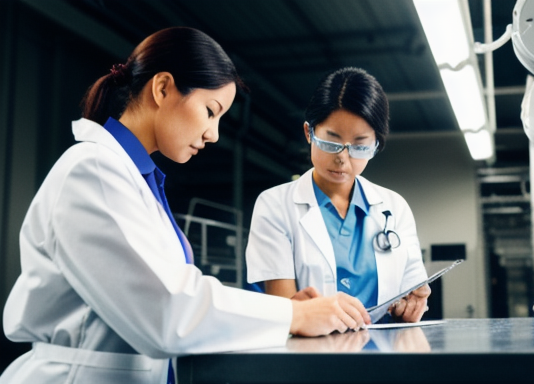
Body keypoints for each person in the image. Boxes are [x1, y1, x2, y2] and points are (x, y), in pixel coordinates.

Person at [0, 28, 370, 384]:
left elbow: (178, 295)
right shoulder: (92, 170)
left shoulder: (132, 180)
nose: (214, 134)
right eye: (211, 111)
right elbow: (167, 312)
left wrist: (288, 313)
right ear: (162, 88)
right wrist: (292, 313)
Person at [245, 67, 430, 323]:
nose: (342, 158)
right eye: (331, 143)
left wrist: (413, 303)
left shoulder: (394, 208)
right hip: (311, 355)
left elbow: (412, 288)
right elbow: (284, 310)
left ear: (375, 145)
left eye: (359, 147)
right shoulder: (275, 206)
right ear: (309, 133)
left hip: (386, 354)